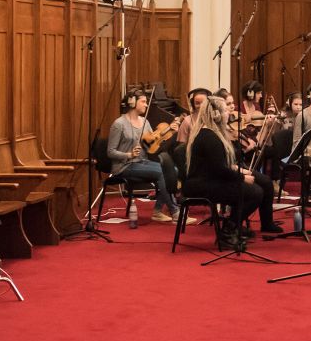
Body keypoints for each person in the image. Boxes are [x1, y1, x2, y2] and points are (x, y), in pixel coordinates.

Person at [184, 95, 279, 244]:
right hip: (201, 185)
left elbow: (219, 165)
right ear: (216, 115)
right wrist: (241, 177)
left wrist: (239, 171)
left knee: (254, 188)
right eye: (225, 110)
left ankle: (234, 226)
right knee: (255, 192)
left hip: (208, 180)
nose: (229, 113)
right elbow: (219, 170)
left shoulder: (211, 133)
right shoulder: (209, 137)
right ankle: (228, 230)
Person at [107, 90, 182, 223]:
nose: (146, 105)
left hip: (141, 162)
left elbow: (150, 147)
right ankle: (175, 211)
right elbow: (110, 152)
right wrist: (128, 154)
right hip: (124, 166)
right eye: (143, 101)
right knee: (161, 172)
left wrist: (169, 132)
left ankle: (158, 211)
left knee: (172, 170)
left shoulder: (145, 121)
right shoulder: (119, 124)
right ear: (132, 102)